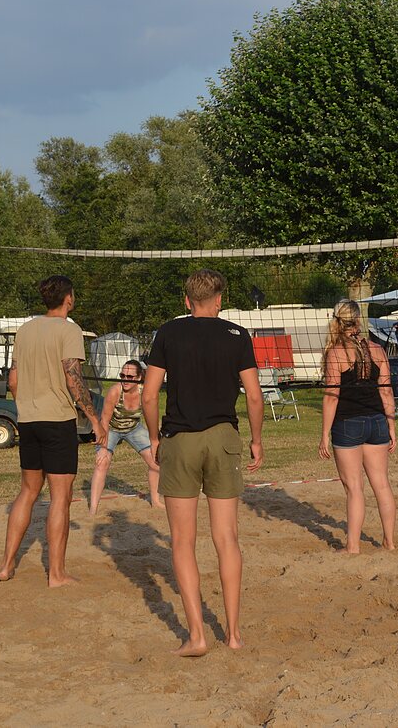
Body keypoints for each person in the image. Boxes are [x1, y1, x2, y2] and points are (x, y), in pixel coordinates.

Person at [143, 269, 264, 656]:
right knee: (226, 539)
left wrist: (153, 438)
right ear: (219, 300)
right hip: (223, 437)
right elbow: (255, 397)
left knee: (182, 542)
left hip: (179, 438)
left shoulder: (168, 333)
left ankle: (196, 636)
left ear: (186, 301)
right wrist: (256, 441)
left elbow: (148, 396)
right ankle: (233, 635)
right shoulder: (237, 335)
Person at [0, 275, 103, 586]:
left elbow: (13, 381)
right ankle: (56, 574)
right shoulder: (69, 329)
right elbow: (73, 378)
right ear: (68, 298)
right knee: (60, 497)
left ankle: (6, 565)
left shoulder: (25, 329)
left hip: (27, 419)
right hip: (57, 420)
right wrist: (94, 419)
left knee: (28, 492)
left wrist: (28, 405)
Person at [319, 299, 398, 554]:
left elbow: (331, 396)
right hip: (377, 423)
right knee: (382, 485)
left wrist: (323, 436)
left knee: (354, 488)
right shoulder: (377, 349)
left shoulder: (336, 353)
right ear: (358, 321)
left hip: (347, 424)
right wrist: (391, 427)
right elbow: (387, 393)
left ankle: (352, 547)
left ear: (337, 321)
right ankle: (390, 542)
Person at [88, 359, 162, 515]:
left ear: (139, 378)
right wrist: (103, 448)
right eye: (122, 375)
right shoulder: (115, 391)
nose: (125, 379)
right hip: (111, 429)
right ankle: (93, 510)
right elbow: (105, 420)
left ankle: (155, 502)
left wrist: (155, 440)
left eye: (130, 377)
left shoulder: (145, 392)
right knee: (102, 462)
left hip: (133, 428)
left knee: (155, 461)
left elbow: (151, 418)